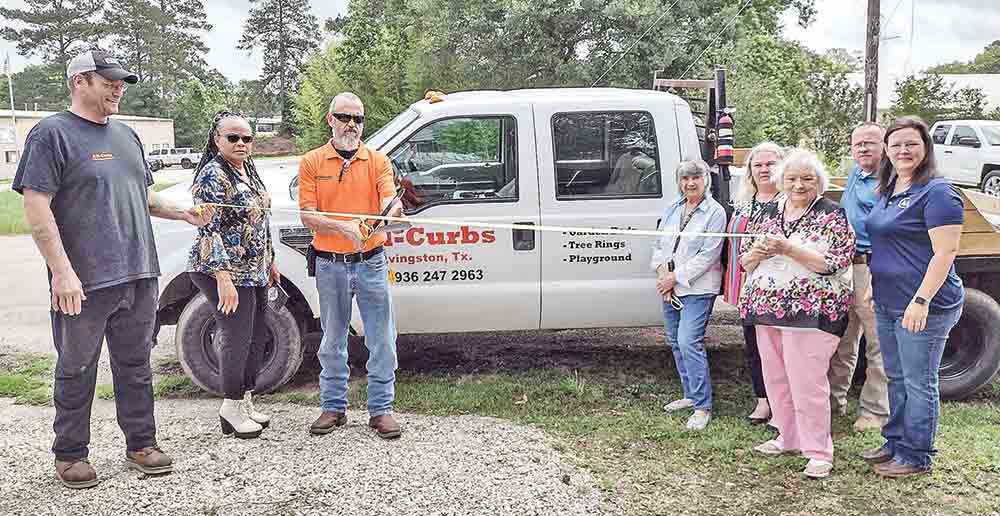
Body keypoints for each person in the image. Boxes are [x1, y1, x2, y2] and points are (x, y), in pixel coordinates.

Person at [12, 49, 212, 489]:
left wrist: (182, 214)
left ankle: (141, 444)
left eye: (121, 81)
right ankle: (70, 455)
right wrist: (61, 271)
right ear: (79, 81)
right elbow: (36, 205)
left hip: (138, 273)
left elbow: (143, 197)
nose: (118, 88)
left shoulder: (127, 137)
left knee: (135, 363)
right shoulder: (52, 134)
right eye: (109, 81)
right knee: (76, 366)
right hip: (84, 280)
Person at [739, 148, 855, 479]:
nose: (799, 185)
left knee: (807, 382)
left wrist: (789, 249)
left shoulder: (833, 214)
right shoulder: (769, 214)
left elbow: (834, 262)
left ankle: (818, 451)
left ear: (818, 181)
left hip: (811, 313)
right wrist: (757, 253)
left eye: (806, 178)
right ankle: (787, 436)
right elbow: (745, 262)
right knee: (776, 378)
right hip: (766, 309)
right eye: (791, 179)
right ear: (781, 181)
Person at [860, 116, 965, 478]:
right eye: (896, 144)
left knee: (919, 382)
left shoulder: (937, 192)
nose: (903, 150)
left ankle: (916, 455)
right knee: (897, 377)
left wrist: (921, 300)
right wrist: (875, 284)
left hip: (924, 306)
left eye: (912, 144)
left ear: (925, 149)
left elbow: (945, 253)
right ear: (887, 150)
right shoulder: (890, 188)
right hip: (889, 302)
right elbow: (884, 242)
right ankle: (895, 442)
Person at [299, 92, 404, 439]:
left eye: (358, 119)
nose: (351, 125)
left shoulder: (377, 161)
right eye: (344, 117)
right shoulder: (312, 162)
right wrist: (342, 227)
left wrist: (393, 212)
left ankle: (381, 409)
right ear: (330, 120)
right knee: (332, 340)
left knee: (382, 338)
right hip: (330, 265)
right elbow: (307, 215)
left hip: (372, 262)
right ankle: (333, 407)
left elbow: (388, 199)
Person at [187, 111, 278, 439]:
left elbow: (260, 223)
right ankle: (230, 405)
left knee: (256, 335)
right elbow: (207, 230)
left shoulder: (248, 171)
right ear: (217, 140)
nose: (241, 143)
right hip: (219, 270)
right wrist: (223, 278)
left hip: (253, 269)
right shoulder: (212, 175)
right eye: (233, 138)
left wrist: (270, 262)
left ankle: (245, 400)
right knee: (236, 336)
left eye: (247, 138)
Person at [651, 159, 726, 431]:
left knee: (688, 341)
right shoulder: (674, 207)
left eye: (696, 178)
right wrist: (662, 273)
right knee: (674, 340)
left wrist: (675, 277)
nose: (690, 183)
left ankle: (702, 407)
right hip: (669, 286)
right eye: (685, 179)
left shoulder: (715, 212)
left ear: (705, 180)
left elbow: (708, 255)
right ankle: (690, 394)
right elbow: (659, 243)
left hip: (697, 288)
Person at [828, 122, 891, 432]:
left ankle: (875, 412)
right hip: (845, 265)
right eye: (858, 144)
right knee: (843, 337)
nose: (864, 148)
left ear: (885, 146)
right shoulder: (856, 172)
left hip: (872, 266)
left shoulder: (890, 180)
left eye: (871, 142)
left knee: (877, 342)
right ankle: (833, 401)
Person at [723, 142, 785, 425]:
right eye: (757, 165)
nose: (763, 169)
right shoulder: (744, 201)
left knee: (780, 348)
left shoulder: (788, 202)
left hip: (778, 288)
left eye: (770, 164)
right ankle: (762, 400)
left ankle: (782, 403)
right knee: (753, 345)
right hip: (747, 286)